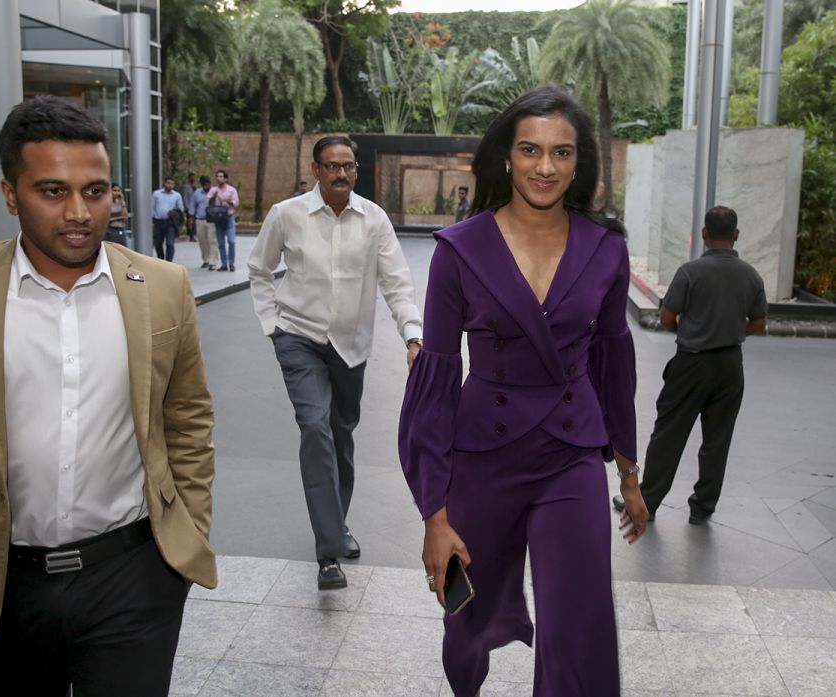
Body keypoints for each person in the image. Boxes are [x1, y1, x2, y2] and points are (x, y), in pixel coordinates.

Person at [0, 95, 217, 697]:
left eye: (95, 191)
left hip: (134, 576)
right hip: (3, 584)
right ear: (9, 193)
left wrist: (186, 540)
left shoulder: (162, 287)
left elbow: (188, 419)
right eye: (52, 191)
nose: (78, 212)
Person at [398, 86, 648, 697]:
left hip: (571, 455)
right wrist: (434, 512)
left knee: (579, 625)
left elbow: (613, 363)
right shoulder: (460, 251)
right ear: (506, 157)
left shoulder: (606, 249)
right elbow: (434, 382)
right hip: (484, 457)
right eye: (531, 149)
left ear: (578, 163)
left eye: (562, 153)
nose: (545, 166)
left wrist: (629, 473)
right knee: (467, 623)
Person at [249, 135, 422, 590]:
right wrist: (272, 324)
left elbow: (396, 283)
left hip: (351, 345)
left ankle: (337, 525)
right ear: (316, 170)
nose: (340, 174)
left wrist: (412, 334)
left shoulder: (374, 220)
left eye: (348, 166)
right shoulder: (286, 215)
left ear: (356, 170)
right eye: (331, 166)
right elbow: (259, 269)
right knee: (315, 428)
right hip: (298, 338)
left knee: (341, 435)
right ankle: (328, 552)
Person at [613, 206, 767, 525]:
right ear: (736, 234)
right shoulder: (751, 275)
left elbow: (667, 317)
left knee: (669, 433)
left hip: (691, 363)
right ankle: (702, 508)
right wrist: (735, 331)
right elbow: (760, 322)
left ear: (704, 234)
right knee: (717, 439)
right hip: (729, 365)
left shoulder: (690, 272)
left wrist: (685, 331)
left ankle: (648, 501)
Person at [208, 169, 240, 271]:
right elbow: (208, 202)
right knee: (221, 243)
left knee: (231, 241)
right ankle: (224, 264)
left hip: (228, 217)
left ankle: (231, 263)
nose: (218, 178)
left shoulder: (231, 190)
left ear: (225, 178)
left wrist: (226, 199)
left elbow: (236, 203)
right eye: (217, 176)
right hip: (218, 219)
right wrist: (214, 196)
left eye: (221, 176)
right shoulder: (213, 190)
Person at [151, 176, 184, 261]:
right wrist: (153, 219)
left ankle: (169, 261)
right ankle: (161, 259)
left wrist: (175, 217)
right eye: (168, 183)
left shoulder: (177, 195)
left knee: (170, 243)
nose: (170, 185)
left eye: (172, 184)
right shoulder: (156, 194)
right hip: (158, 221)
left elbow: (180, 209)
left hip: (170, 222)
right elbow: (152, 207)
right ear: (164, 183)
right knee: (158, 243)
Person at [190, 175, 217, 270]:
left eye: (208, 184)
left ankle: (213, 261)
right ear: (202, 185)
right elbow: (193, 205)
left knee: (212, 240)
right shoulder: (197, 193)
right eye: (204, 185)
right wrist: (191, 218)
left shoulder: (215, 192)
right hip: (200, 219)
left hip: (211, 220)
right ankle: (206, 260)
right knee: (202, 241)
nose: (207, 186)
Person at [181, 172, 196, 241]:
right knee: (190, 221)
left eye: (194, 177)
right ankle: (191, 235)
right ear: (189, 178)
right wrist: (186, 207)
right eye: (192, 177)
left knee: (193, 221)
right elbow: (184, 197)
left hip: (195, 207)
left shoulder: (194, 186)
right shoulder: (186, 186)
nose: (193, 178)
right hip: (189, 207)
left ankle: (193, 233)